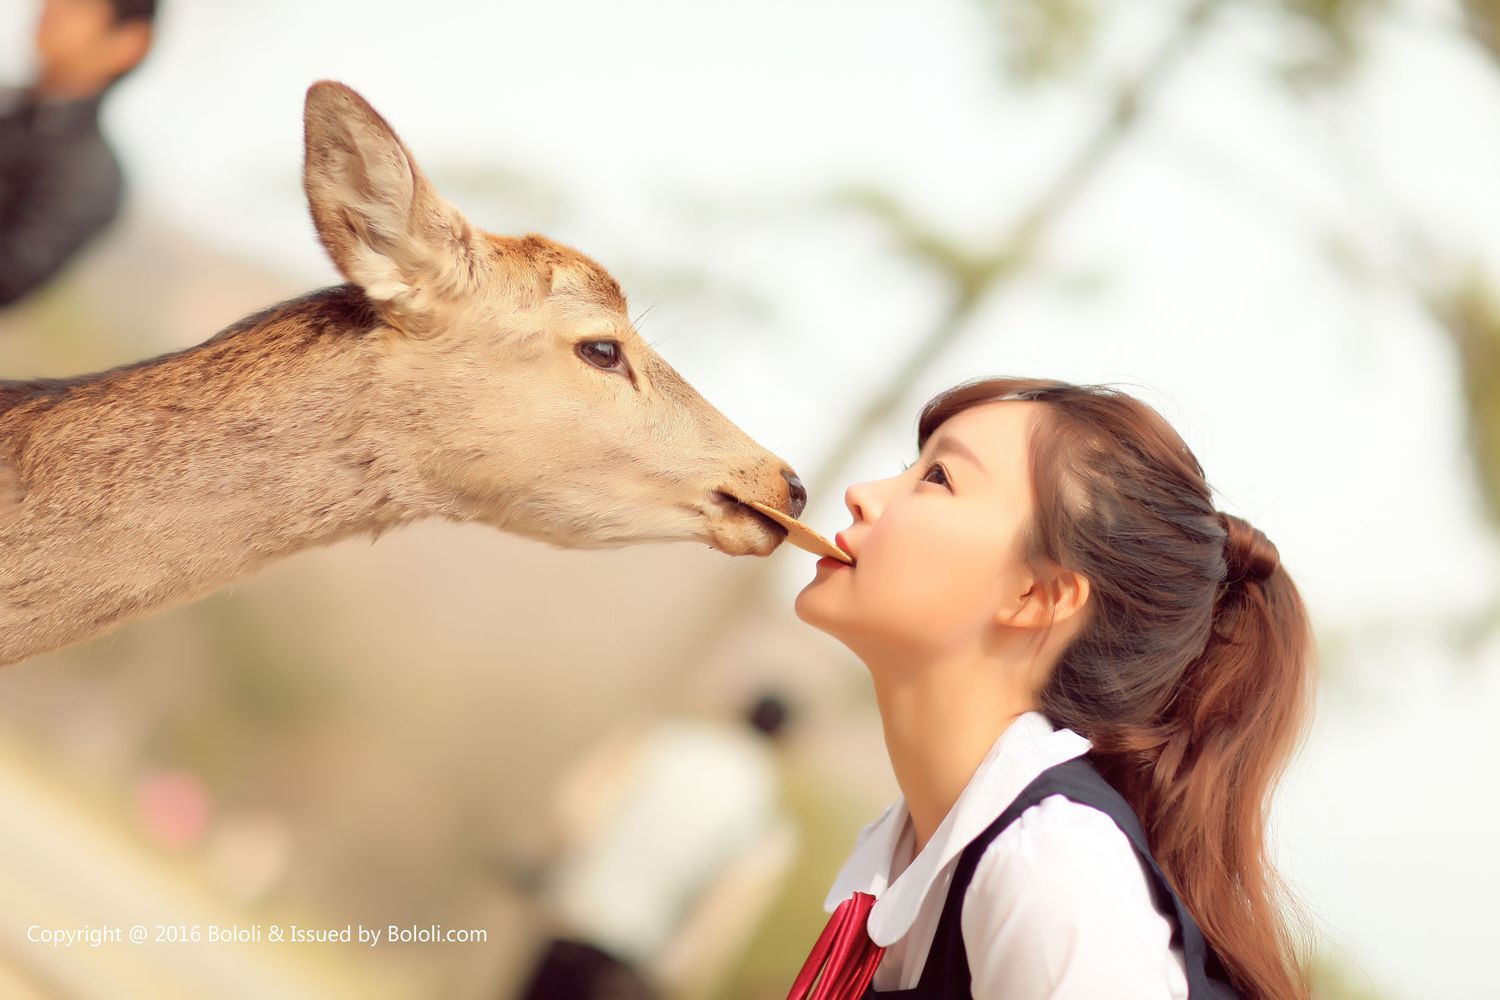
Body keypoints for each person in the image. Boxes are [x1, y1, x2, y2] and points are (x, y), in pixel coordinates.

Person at [791, 377, 1317, 998]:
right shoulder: (914, 849)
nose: (860, 495)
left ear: (1037, 595)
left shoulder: (1053, 874)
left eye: (938, 478)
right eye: (913, 466)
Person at [511, 693, 799, 1000]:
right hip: (637, 954)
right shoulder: (766, 816)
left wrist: (561, 865)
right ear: (786, 739)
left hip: (576, 911)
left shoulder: (670, 742)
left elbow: (578, 804)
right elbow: (727, 909)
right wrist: (681, 973)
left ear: (739, 710)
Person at [0, 0, 156, 308]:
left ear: (129, 43)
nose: (52, 7)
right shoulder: (9, 102)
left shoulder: (90, 175)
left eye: (80, 5)